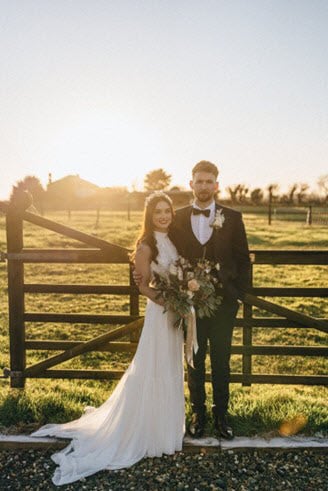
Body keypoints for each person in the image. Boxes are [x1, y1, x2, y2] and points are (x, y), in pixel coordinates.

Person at [31, 192, 185, 486]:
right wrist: (171, 302)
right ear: (149, 216)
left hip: (176, 316)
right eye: (158, 212)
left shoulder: (174, 241)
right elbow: (144, 288)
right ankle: (146, 432)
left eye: (167, 211)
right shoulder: (145, 246)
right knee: (153, 368)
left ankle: (166, 431)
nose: (163, 216)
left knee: (170, 368)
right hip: (161, 314)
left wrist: (184, 298)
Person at [171, 160, 251, 440]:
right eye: (199, 181)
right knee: (194, 358)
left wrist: (239, 296)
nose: (204, 186)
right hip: (189, 304)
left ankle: (221, 415)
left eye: (209, 182)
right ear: (191, 184)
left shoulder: (233, 217)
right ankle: (198, 414)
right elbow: (166, 254)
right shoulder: (177, 217)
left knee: (221, 359)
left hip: (224, 304)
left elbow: (243, 260)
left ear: (216, 185)